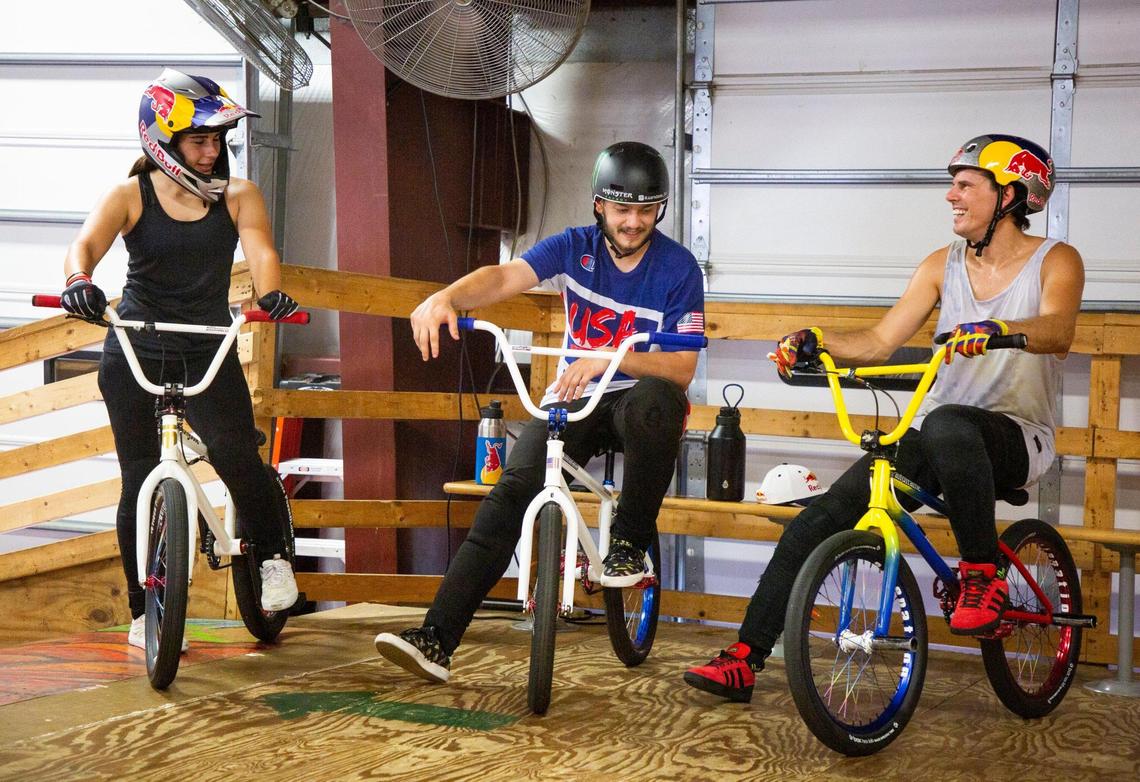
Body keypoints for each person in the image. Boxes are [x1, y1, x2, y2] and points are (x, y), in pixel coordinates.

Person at [684, 133, 1085, 703]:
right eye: (953, 185)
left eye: (966, 185)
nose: (952, 196)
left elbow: (1059, 330)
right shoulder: (940, 265)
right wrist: (817, 342)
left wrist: (999, 332)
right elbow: (878, 341)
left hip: (1019, 436)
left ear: (1011, 194)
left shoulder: (1055, 259)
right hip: (948, 438)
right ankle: (746, 658)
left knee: (947, 424)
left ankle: (980, 578)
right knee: (817, 521)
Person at [375, 141, 705, 683]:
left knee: (658, 404)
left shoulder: (678, 268)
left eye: (646, 209)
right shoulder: (574, 248)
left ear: (660, 209)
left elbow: (682, 367)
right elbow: (502, 278)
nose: (633, 221)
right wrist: (447, 299)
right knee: (510, 494)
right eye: (622, 208)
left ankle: (628, 542)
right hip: (576, 396)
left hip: (637, 396)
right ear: (599, 204)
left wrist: (610, 359)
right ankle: (436, 638)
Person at [59, 69, 302, 650]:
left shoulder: (238, 195)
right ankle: (145, 614)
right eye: (199, 140)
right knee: (137, 478)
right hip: (138, 343)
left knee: (237, 455)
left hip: (206, 346)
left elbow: (262, 250)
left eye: (218, 139)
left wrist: (269, 295)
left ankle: (271, 558)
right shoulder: (129, 195)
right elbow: (86, 243)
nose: (212, 150)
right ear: (161, 141)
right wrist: (78, 279)